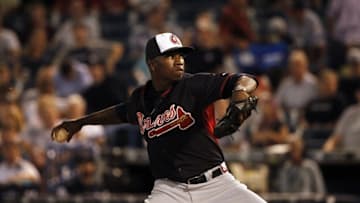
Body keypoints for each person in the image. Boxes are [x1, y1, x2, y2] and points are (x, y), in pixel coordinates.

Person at [51, 32, 266, 203]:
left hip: (217, 184)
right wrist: (80, 123)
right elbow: (119, 113)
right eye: (171, 56)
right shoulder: (141, 99)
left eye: (181, 55)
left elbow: (246, 79)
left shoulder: (194, 85)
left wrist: (239, 92)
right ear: (153, 64)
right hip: (170, 191)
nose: (179, 60)